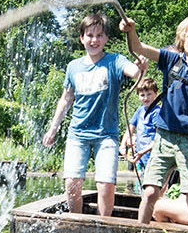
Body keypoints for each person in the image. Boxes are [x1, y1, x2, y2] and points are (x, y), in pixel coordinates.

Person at [119, 13, 188, 228]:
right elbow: (139, 48)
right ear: (182, 39)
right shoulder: (170, 60)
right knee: (149, 192)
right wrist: (131, 31)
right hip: (164, 138)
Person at [43, 12, 141, 216]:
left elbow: (135, 72)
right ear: (82, 38)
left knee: (106, 184)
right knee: (72, 181)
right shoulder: (73, 67)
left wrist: (140, 65)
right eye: (89, 35)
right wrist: (53, 128)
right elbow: (66, 99)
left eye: (99, 35)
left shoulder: (115, 61)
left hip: (107, 134)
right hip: (78, 133)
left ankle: (104, 225)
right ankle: (77, 221)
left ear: (106, 38)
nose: (94, 40)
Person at [120, 75, 161, 191]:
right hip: (141, 158)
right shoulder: (140, 111)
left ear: (155, 94)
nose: (145, 98)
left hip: (152, 157)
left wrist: (142, 152)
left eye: (149, 94)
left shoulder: (156, 112)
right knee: (143, 185)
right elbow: (130, 128)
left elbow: (159, 138)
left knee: (152, 188)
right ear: (138, 96)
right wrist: (122, 145)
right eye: (142, 95)